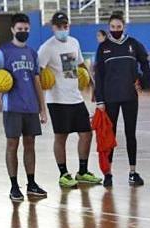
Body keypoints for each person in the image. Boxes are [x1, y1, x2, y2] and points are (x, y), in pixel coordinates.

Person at [0, 13, 49, 201]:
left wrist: (43, 108)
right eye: (20, 29)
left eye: (26, 29)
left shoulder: (32, 53)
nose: (23, 32)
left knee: (30, 144)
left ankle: (32, 183)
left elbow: (37, 82)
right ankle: (13, 186)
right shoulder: (3, 52)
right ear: (12, 30)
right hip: (12, 107)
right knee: (12, 145)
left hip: (31, 107)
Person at [38, 11, 101, 188]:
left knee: (86, 134)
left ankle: (82, 171)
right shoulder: (46, 48)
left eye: (65, 26)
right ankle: (63, 173)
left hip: (75, 97)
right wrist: (41, 103)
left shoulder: (74, 42)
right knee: (61, 137)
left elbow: (80, 65)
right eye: (59, 26)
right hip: (57, 100)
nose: (62, 29)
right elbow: (39, 72)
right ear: (53, 27)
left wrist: (93, 84)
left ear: (69, 26)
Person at [94, 11, 150, 187]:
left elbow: (145, 62)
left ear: (124, 27)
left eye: (119, 27)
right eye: (113, 27)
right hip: (110, 99)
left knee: (130, 134)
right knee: (108, 136)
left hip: (130, 97)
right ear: (109, 28)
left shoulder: (133, 44)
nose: (116, 29)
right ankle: (108, 174)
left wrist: (143, 80)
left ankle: (133, 172)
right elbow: (99, 76)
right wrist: (100, 100)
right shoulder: (103, 48)